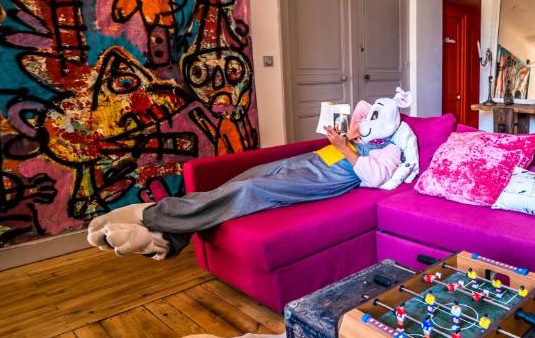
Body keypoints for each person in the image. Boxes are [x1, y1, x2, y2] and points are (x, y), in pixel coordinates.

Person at [87, 89, 418, 259]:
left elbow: (374, 178)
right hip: (312, 159)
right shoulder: (360, 130)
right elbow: (357, 114)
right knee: (244, 178)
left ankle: (151, 215)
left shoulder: (390, 148)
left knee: (253, 190)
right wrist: (346, 134)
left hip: (327, 178)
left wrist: (346, 147)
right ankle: (169, 240)